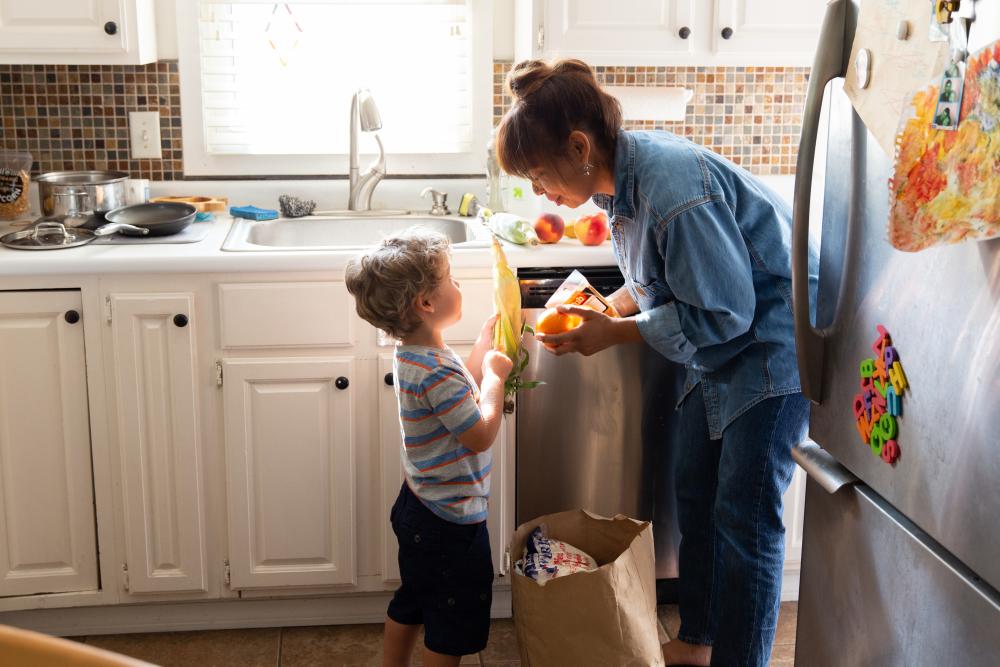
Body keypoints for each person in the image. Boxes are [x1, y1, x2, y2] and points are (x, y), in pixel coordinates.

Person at [494, 59, 819, 667]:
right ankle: (698, 641)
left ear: (580, 146)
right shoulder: (624, 177)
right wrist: (604, 304)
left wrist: (616, 333)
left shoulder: (672, 190)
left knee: (745, 522)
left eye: (539, 175)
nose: (539, 192)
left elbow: (727, 313)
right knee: (695, 493)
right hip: (715, 352)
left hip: (771, 348)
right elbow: (658, 277)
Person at [345, 231, 513, 667]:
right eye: (451, 279)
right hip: (449, 522)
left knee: (414, 598)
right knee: (450, 622)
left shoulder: (416, 356)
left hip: (418, 506)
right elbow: (478, 431)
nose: (458, 286)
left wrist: (479, 351)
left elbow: (460, 394)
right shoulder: (436, 371)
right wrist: (496, 378)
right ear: (425, 303)